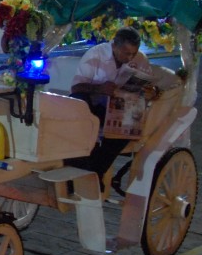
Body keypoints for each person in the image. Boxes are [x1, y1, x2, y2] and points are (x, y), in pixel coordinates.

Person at [67, 27, 160, 181]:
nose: (130, 58)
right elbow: (76, 88)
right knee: (79, 102)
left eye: (133, 53)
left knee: (126, 130)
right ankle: (86, 168)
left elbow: (148, 84)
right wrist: (100, 88)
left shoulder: (140, 59)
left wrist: (152, 91)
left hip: (120, 108)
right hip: (93, 105)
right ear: (114, 46)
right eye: (126, 53)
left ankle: (96, 171)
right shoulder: (95, 55)